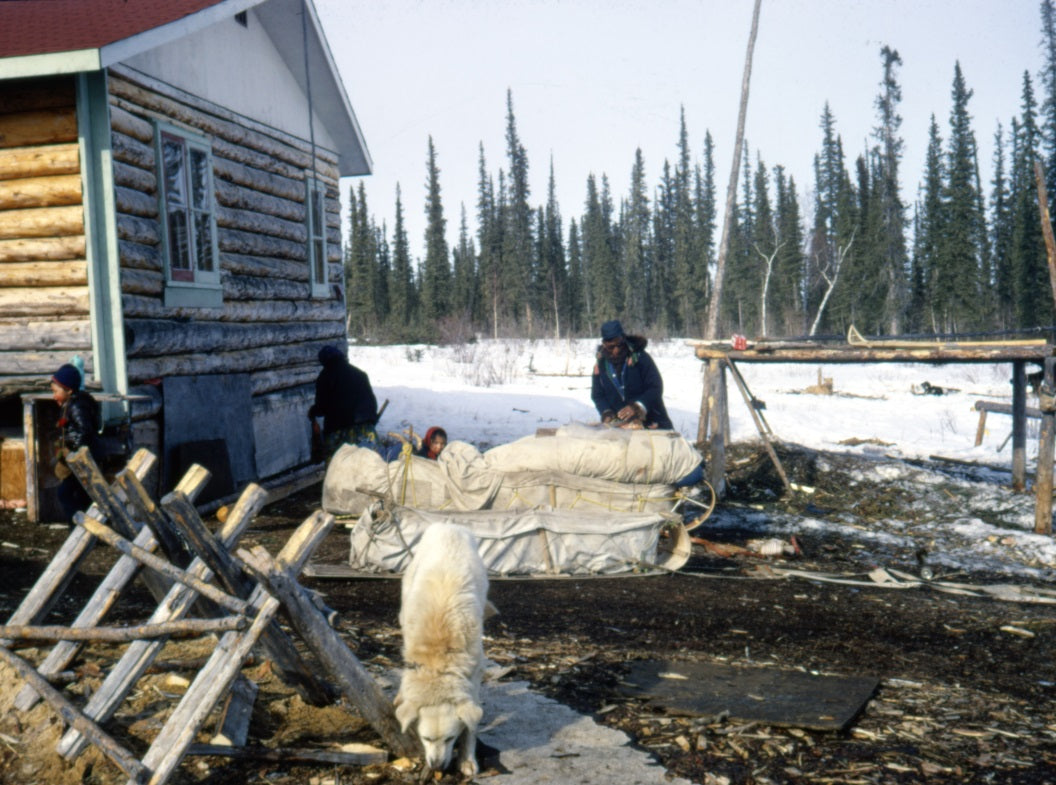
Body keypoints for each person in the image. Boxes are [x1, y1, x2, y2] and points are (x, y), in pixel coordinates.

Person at [591, 319, 673, 430]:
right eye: (611, 347)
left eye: (619, 345)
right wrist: (606, 411)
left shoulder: (640, 358)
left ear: (623, 339)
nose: (616, 350)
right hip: (622, 426)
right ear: (604, 344)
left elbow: (655, 387)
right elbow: (597, 395)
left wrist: (638, 406)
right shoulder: (600, 365)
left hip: (652, 421)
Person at [50, 362, 102, 524]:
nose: (53, 396)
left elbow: (85, 431)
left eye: (56, 391)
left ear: (69, 390)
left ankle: (79, 527)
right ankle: (85, 527)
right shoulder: (70, 404)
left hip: (81, 459)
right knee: (79, 494)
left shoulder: (77, 406)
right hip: (77, 457)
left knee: (66, 493)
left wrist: (71, 446)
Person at [308, 345, 380, 458]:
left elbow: (322, 407)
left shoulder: (325, 376)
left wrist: (313, 411)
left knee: (337, 465)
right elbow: (372, 402)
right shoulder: (360, 374)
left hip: (340, 430)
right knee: (370, 463)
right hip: (366, 428)